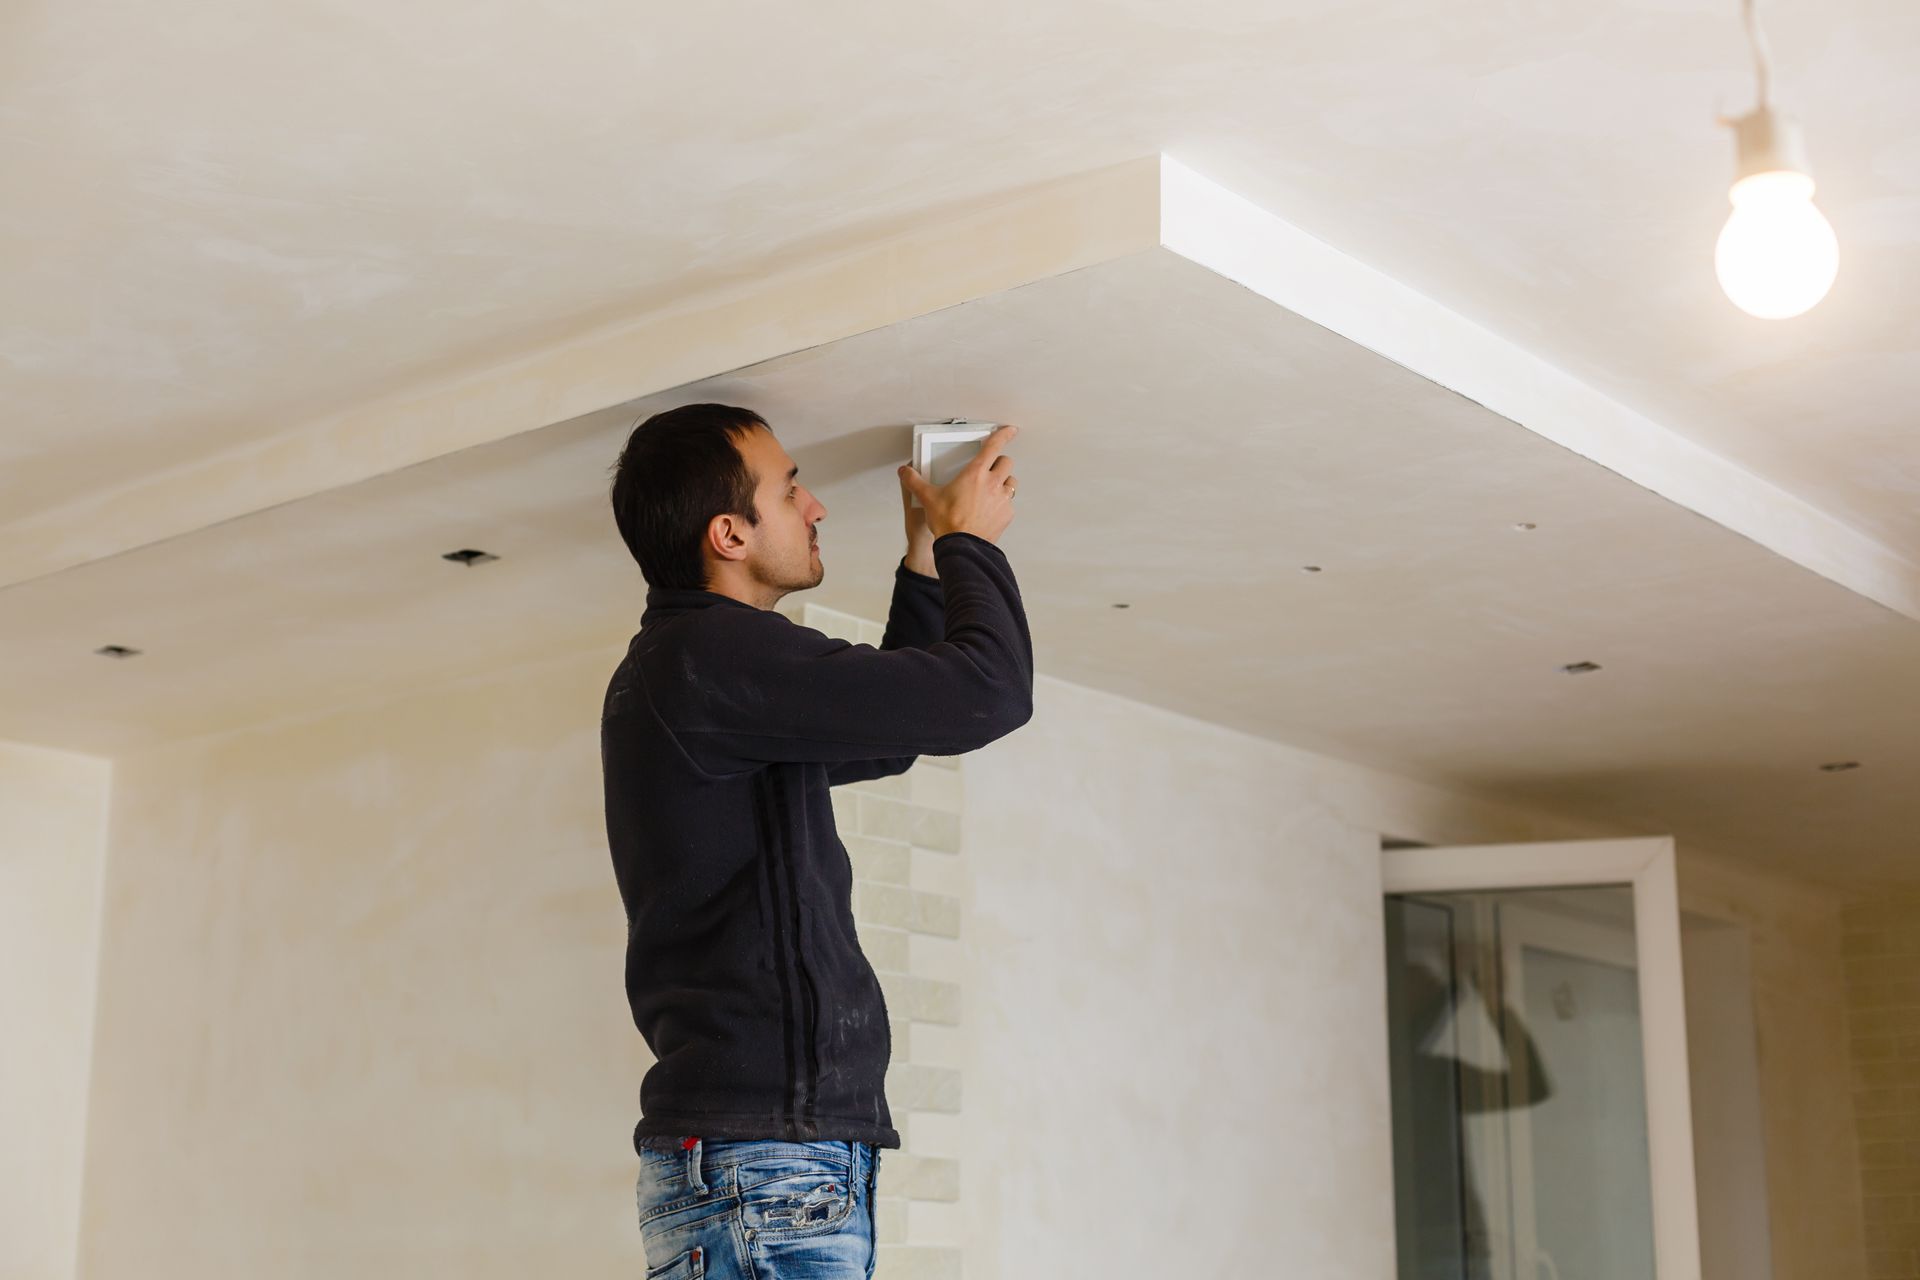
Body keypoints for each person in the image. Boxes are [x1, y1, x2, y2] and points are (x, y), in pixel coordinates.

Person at [601, 404, 1033, 1278]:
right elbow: (987, 695)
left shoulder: (704, 669)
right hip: (766, 1164)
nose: (817, 507)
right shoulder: (707, 658)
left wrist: (924, 563)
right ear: (729, 533)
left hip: (765, 1163)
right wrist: (971, 547)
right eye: (790, 487)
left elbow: (888, 731)